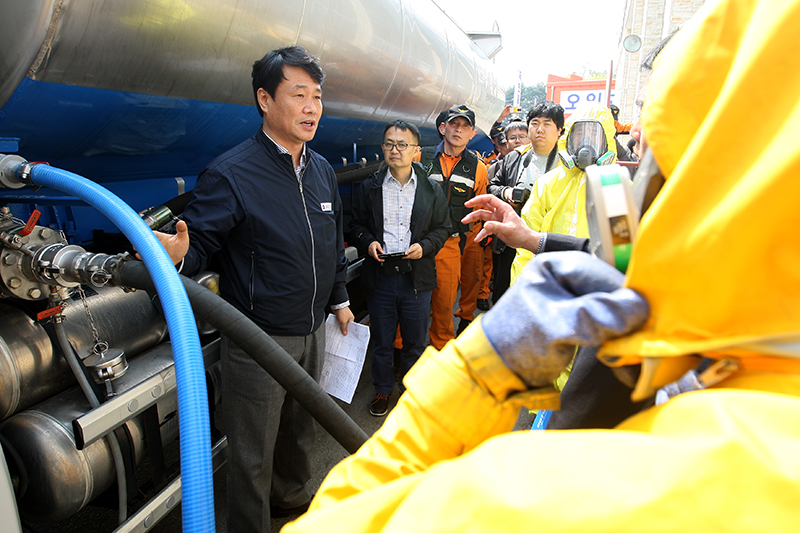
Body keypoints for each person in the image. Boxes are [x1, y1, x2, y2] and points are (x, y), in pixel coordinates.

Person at [281, 0, 800, 529]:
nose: (628, 170)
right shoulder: (731, 406)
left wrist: (476, 376)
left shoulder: (555, 494)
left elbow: (341, 517)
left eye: (646, 154)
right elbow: (614, 257)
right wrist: (534, 238)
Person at [153, 46, 353, 531]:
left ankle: (292, 510)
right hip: (259, 341)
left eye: (317, 97)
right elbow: (198, 241)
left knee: (298, 438)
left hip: (312, 332)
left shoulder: (322, 171)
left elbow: (332, 241)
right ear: (265, 99)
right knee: (252, 455)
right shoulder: (232, 172)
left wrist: (340, 299)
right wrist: (179, 253)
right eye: (299, 95)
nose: (312, 108)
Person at [349, 121, 450, 417]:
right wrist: (368, 243)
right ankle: (382, 390)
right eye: (390, 144)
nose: (395, 150)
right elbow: (354, 225)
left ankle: (409, 393)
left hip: (416, 277)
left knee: (415, 342)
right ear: (383, 148)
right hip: (380, 276)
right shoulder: (370, 187)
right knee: (381, 341)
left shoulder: (431, 189)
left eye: (402, 145)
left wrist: (426, 247)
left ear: (416, 151)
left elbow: (443, 228)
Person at [511, 103, 616, 283]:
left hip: (596, 288)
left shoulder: (618, 187)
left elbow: (625, 254)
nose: (586, 143)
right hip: (550, 283)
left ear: (606, 140)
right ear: (569, 138)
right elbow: (526, 246)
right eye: (580, 135)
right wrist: (522, 291)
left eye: (593, 135)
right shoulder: (547, 183)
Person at [422, 104, 489, 346]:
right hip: (420, 242)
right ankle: (402, 357)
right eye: (454, 124)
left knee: (443, 305)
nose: (458, 130)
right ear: (443, 128)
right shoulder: (422, 157)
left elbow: (480, 210)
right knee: (410, 302)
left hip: (453, 243)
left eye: (465, 126)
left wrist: (472, 244)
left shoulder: (479, 168)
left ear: (472, 133)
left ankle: (441, 352)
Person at [487, 100, 565, 304]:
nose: (540, 129)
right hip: (511, 242)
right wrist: (507, 192)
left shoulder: (567, 163)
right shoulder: (514, 158)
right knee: (504, 300)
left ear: (560, 131)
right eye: (535, 123)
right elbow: (492, 186)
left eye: (547, 124)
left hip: (548, 242)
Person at [478, 119, 529, 310]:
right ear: (506, 142)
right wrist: (506, 192)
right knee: (502, 280)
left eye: (522, 136)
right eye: (512, 138)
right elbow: (492, 187)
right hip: (507, 233)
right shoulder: (506, 162)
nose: (518, 141)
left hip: (536, 233)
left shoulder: (554, 159)